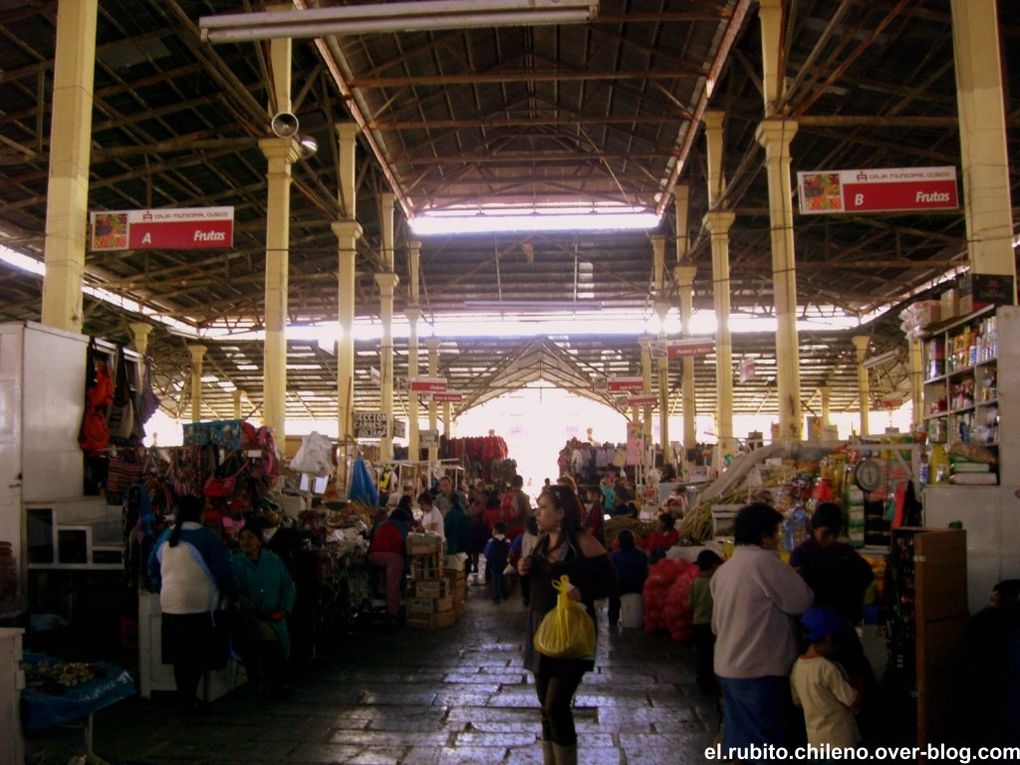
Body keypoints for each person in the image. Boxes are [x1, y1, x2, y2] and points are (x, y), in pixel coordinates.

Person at [518, 484, 617, 765]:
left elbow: (610, 581)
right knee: (545, 708)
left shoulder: (583, 543)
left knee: (556, 705)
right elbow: (533, 589)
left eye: (543, 508)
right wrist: (525, 571)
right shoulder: (541, 543)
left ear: (561, 513)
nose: (537, 514)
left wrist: (582, 592)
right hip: (540, 631)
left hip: (571, 633)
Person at [711, 502, 814, 754]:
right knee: (765, 749)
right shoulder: (765, 563)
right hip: (759, 670)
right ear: (764, 535)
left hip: (728, 667)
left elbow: (716, 625)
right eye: (776, 532)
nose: (778, 538)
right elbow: (802, 601)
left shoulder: (724, 570)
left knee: (742, 745)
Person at [148, 496, 239, 710]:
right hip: (201, 606)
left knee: (181, 656)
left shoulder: (165, 536)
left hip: (170, 605)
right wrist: (233, 596)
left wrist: (164, 587)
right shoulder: (207, 537)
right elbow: (224, 571)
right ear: (200, 514)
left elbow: (151, 568)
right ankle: (190, 698)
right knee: (196, 655)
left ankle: (185, 697)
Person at [232, 524, 297, 697]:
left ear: (259, 541)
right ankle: (273, 683)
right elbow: (235, 591)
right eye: (242, 538)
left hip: (276, 615)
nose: (246, 542)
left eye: (250, 537)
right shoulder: (236, 562)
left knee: (280, 643)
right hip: (251, 617)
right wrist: (252, 608)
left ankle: (276, 682)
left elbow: (287, 585)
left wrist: (284, 608)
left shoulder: (273, 560)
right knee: (267, 642)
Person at [789, 503, 873, 625]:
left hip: (844, 621)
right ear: (815, 528)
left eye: (836, 533)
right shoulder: (802, 553)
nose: (831, 538)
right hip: (815, 625)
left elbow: (866, 576)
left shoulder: (845, 551)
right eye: (826, 533)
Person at [791, 607, 862, 749]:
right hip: (839, 741)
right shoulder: (827, 668)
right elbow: (851, 701)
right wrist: (859, 684)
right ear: (828, 639)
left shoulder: (797, 667)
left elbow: (798, 702)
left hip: (815, 742)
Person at [690, 550, 723, 694]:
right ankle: (710, 681)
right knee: (710, 653)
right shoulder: (715, 584)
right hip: (711, 623)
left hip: (697, 623)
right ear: (714, 566)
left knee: (702, 654)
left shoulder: (695, 583)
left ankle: (702, 679)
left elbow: (689, 604)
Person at [368, 506, 409, 622]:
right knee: (393, 584)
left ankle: (382, 593)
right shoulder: (401, 527)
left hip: (373, 555)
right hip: (391, 557)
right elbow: (407, 545)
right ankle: (392, 614)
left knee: (389, 578)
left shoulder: (384, 524)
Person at [607, 529, 647, 627]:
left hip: (621, 586)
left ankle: (613, 620)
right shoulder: (641, 554)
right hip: (639, 586)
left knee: (613, 597)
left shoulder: (614, 555)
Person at [483, 522, 512, 603]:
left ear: (496, 531)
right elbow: (510, 552)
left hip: (494, 564)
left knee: (495, 581)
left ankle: (496, 597)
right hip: (504, 563)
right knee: (505, 579)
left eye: (493, 529)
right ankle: (505, 594)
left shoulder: (491, 541)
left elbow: (486, 552)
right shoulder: (507, 541)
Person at [501, 475, 531, 540]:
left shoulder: (505, 496)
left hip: (507, 527)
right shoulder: (524, 496)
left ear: (511, 484)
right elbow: (529, 513)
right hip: (520, 528)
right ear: (522, 484)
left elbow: (501, 512)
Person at [443, 491, 471, 557]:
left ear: (449, 502)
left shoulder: (450, 514)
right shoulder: (463, 512)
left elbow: (447, 530)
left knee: (454, 564)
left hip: (454, 544)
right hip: (465, 543)